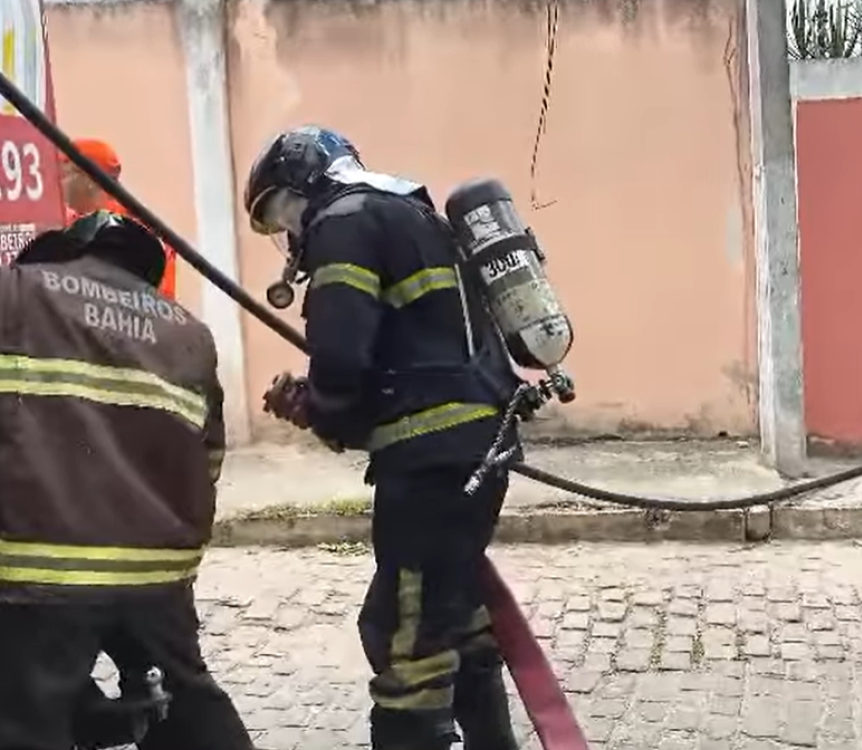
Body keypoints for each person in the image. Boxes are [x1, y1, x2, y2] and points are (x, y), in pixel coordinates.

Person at [245, 125, 524, 750]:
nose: (288, 233)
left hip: (431, 462)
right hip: (477, 444)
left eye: (280, 211)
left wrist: (319, 405)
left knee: (403, 631)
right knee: (455, 611)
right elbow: (413, 353)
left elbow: (342, 361)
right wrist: (323, 407)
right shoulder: (409, 211)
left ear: (304, 184)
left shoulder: (342, 222)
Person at [0, 210, 255, 750]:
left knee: (25, 719)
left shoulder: (17, 294)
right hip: (158, 573)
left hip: (40, 567)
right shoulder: (190, 332)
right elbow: (208, 459)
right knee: (188, 702)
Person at [60, 138, 179, 300]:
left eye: (65, 174)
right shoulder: (69, 222)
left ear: (89, 179)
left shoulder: (135, 230)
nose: (60, 183)